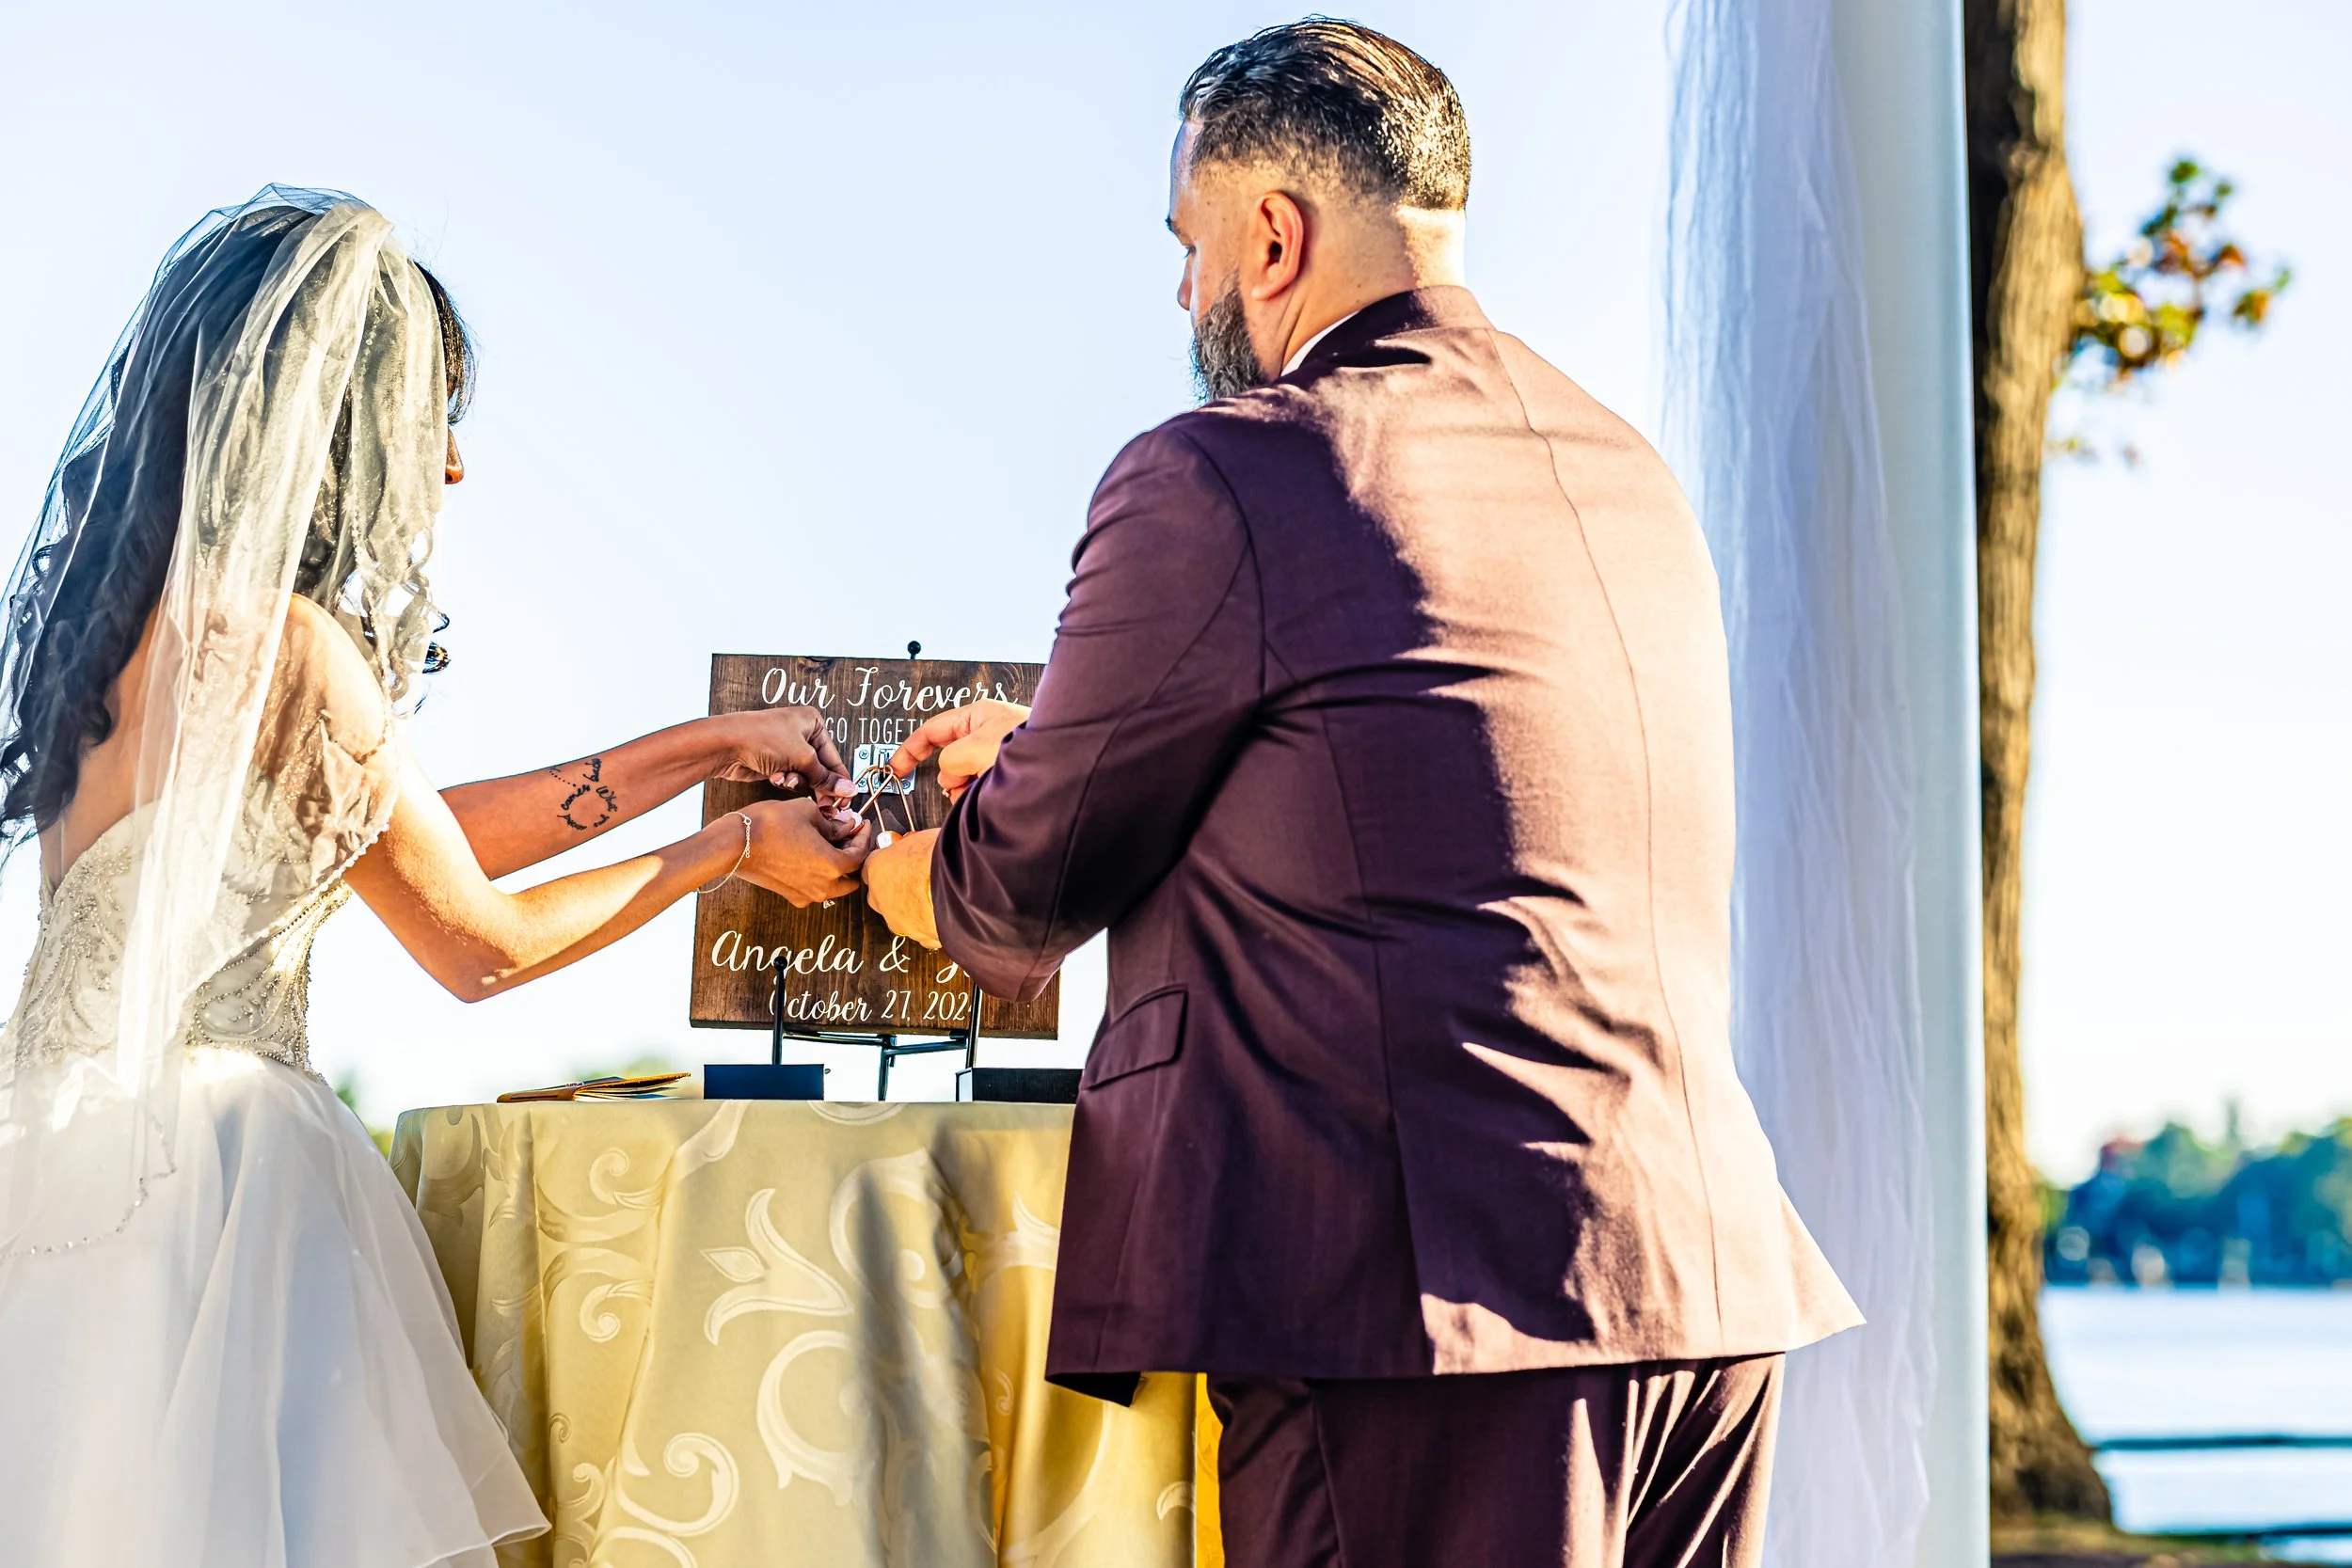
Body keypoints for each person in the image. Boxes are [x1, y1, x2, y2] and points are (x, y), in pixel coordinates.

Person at [861, 22, 1862, 1568]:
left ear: (1273, 233)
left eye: (1188, 244)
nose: (1183, 293)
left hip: (1435, 1320)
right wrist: (1056, 726)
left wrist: (891, 869)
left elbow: (1015, 891)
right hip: (1697, 1282)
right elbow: (1418, 769)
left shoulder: (1225, 471)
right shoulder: (1627, 472)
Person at [0, 189, 869, 1567]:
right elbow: (479, 944)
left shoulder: (117, 639)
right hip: (226, 1184)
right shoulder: (294, 645)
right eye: (432, 416)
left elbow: (400, 839)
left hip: (55, 1160)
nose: (451, 468)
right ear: (345, 421)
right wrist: (732, 850)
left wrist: (701, 746)